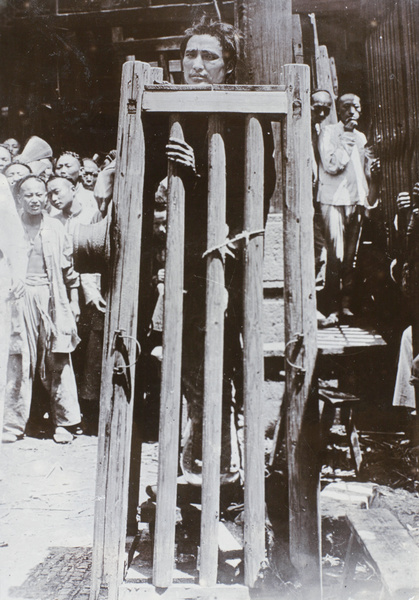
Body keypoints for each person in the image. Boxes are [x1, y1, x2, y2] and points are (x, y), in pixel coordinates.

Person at [162, 17, 275, 487]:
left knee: (228, 357)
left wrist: (200, 175)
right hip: (176, 259)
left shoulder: (245, 117)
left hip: (225, 258)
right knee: (185, 359)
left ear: (228, 66)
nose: (197, 64)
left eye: (210, 56)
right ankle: (192, 461)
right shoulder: (165, 111)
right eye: (190, 55)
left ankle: (228, 463)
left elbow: (256, 195)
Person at [3, 175, 82, 444]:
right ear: (19, 198)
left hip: (52, 296)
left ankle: (65, 422)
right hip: (19, 297)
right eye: (28, 195)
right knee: (18, 357)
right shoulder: (9, 228)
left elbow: (69, 270)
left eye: (40, 194)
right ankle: (12, 423)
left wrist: (73, 301)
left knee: (58, 357)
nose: (35, 200)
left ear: (46, 197)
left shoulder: (56, 228)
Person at [317, 93, 380, 322]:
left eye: (356, 106)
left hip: (355, 202)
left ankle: (345, 305)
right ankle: (331, 307)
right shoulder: (328, 132)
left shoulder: (362, 137)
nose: (351, 111)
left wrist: (366, 198)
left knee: (351, 257)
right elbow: (333, 165)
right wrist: (347, 136)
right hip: (333, 200)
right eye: (346, 107)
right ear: (339, 110)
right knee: (335, 255)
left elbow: (364, 172)